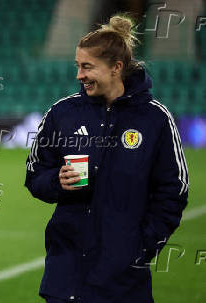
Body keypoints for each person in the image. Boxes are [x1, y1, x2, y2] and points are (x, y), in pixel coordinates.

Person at [25, 15, 188, 303]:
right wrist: (56, 181)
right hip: (66, 276)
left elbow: (173, 191)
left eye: (87, 67)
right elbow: (35, 173)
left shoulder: (154, 119)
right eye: (78, 66)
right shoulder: (62, 114)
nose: (79, 75)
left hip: (124, 282)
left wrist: (142, 246)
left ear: (116, 68)